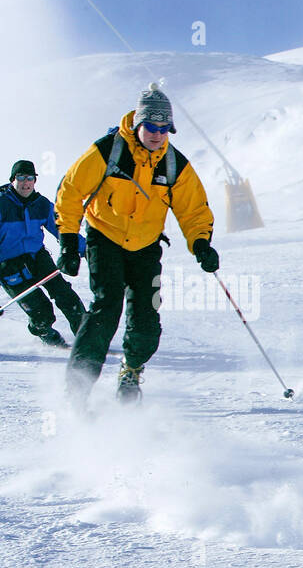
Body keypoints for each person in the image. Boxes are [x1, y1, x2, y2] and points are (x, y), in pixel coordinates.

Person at [55, 83, 218, 404]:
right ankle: (78, 386)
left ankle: (130, 371)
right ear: (138, 123)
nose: (158, 134)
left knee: (146, 318)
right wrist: (68, 241)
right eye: (152, 126)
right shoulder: (107, 151)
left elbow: (194, 208)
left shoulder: (174, 165)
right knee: (106, 308)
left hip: (145, 247)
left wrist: (201, 243)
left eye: (164, 128)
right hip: (105, 239)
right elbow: (71, 191)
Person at [0, 160, 86, 347]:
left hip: (37, 257)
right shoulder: (2, 204)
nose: (25, 183)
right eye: (20, 178)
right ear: (13, 180)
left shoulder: (41, 204)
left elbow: (63, 230)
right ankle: (44, 331)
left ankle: (86, 335)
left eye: (30, 178)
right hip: (9, 266)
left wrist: (86, 249)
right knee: (42, 313)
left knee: (66, 295)